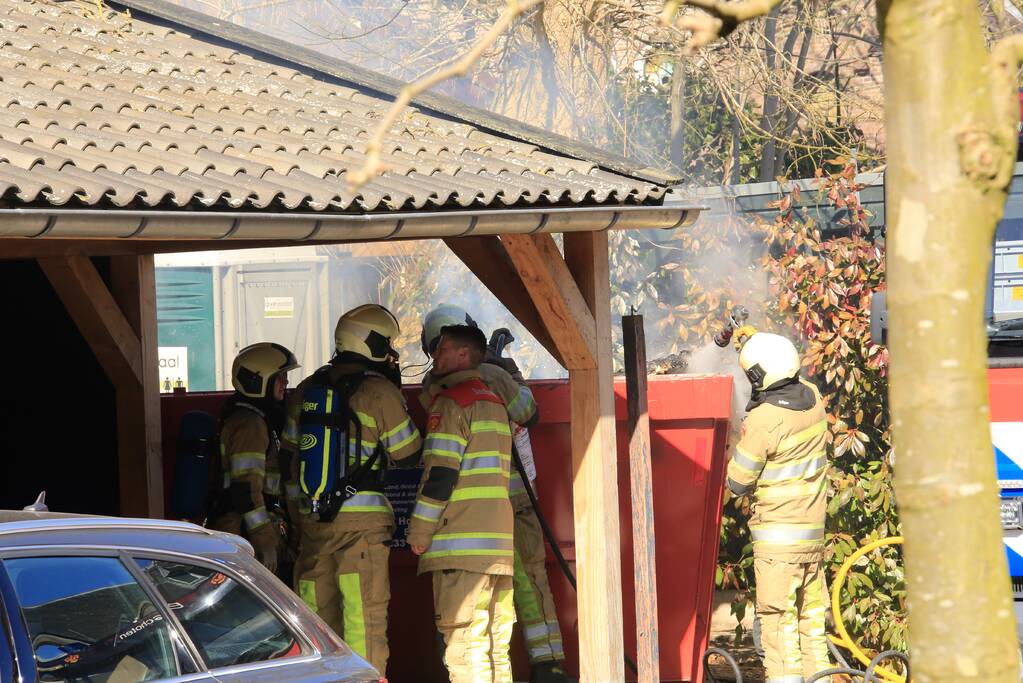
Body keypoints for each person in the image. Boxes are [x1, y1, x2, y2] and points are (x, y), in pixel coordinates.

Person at [421, 305, 573, 683]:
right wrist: (508, 370)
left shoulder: (432, 386)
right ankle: (548, 666)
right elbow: (529, 412)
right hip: (514, 503)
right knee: (528, 581)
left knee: (473, 611)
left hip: (464, 517)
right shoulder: (495, 375)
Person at [280, 304, 422, 675]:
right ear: (371, 342)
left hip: (313, 524)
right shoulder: (378, 392)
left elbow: (288, 459)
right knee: (364, 620)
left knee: (315, 625)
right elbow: (408, 453)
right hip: (362, 528)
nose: (390, 352)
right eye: (387, 343)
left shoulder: (306, 390)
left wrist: (297, 523)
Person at [408, 324, 516, 683]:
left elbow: (440, 476)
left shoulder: (452, 404)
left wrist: (419, 532)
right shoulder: (495, 403)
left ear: (463, 354)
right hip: (497, 548)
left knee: (464, 646)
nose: (434, 356)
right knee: (494, 645)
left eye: (442, 349)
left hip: (461, 547)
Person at [726, 330, 830, 683]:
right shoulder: (814, 399)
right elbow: (779, 375)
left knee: (778, 626)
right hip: (811, 540)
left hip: (778, 546)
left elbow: (737, 482)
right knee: (811, 625)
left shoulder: (764, 421)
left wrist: (739, 437)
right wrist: (756, 344)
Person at [210, 342, 300, 578]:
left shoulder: (261, 418)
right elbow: (245, 490)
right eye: (280, 377)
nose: (286, 382)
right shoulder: (249, 424)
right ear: (259, 381)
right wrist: (264, 540)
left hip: (253, 529)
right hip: (245, 535)